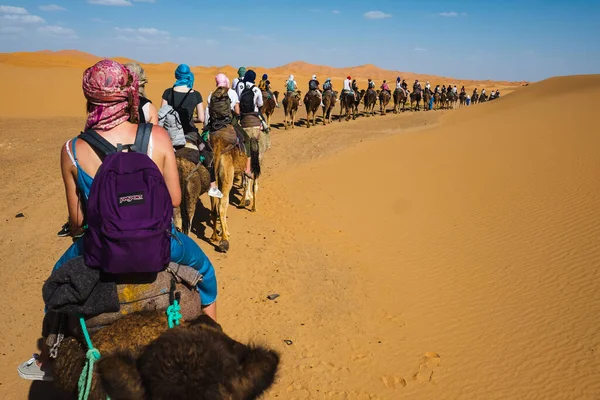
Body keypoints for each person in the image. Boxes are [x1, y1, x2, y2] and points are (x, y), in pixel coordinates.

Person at [18, 60, 218, 382]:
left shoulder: (71, 149)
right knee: (206, 272)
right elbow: (176, 200)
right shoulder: (158, 137)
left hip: (99, 249)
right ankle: (213, 342)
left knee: (57, 283)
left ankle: (49, 355)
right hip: (160, 243)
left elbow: (77, 220)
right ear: (129, 95)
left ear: (89, 97)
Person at [161, 65, 222, 198]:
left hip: (169, 134)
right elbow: (201, 118)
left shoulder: (167, 92)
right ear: (189, 76)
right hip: (189, 133)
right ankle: (212, 186)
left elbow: (162, 114)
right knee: (206, 152)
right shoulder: (196, 94)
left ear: (176, 75)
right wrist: (191, 118)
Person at [237, 70, 266, 178]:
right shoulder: (257, 89)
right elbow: (260, 104)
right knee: (266, 128)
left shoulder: (240, 87)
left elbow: (238, 102)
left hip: (243, 119)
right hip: (254, 118)